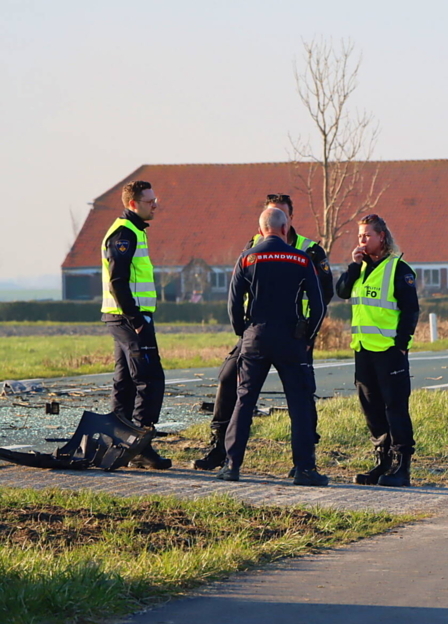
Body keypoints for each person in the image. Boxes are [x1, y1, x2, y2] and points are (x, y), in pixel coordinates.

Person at [193, 194, 333, 471]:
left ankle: (231, 465)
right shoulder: (302, 258)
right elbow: (319, 304)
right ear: (284, 226)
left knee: (245, 401)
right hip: (292, 338)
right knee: (299, 401)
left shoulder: (248, 257)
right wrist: (308, 334)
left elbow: (233, 303)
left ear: (262, 228)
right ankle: (305, 468)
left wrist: (243, 332)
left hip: (255, 336)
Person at [336, 214, 419, 487]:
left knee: (395, 407)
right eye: (360, 236)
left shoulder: (398, 269)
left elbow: (410, 310)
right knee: (371, 408)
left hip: (389, 350)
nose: (362, 240)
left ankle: (401, 467)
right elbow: (342, 291)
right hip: (363, 349)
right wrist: (353, 265)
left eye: (367, 235)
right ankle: (382, 461)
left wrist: (401, 345)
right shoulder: (359, 268)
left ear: (381, 237)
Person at [101, 180, 171, 469]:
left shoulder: (135, 231)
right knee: (151, 379)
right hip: (129, 318)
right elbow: (117, 281)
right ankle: (140, 446)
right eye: (149, 201)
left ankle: (118, 446)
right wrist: (136, 319)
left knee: (126, 382)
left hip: (123, 317)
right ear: (133, 204)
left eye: (155, 200)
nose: (155, 205)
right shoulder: (125, 234)